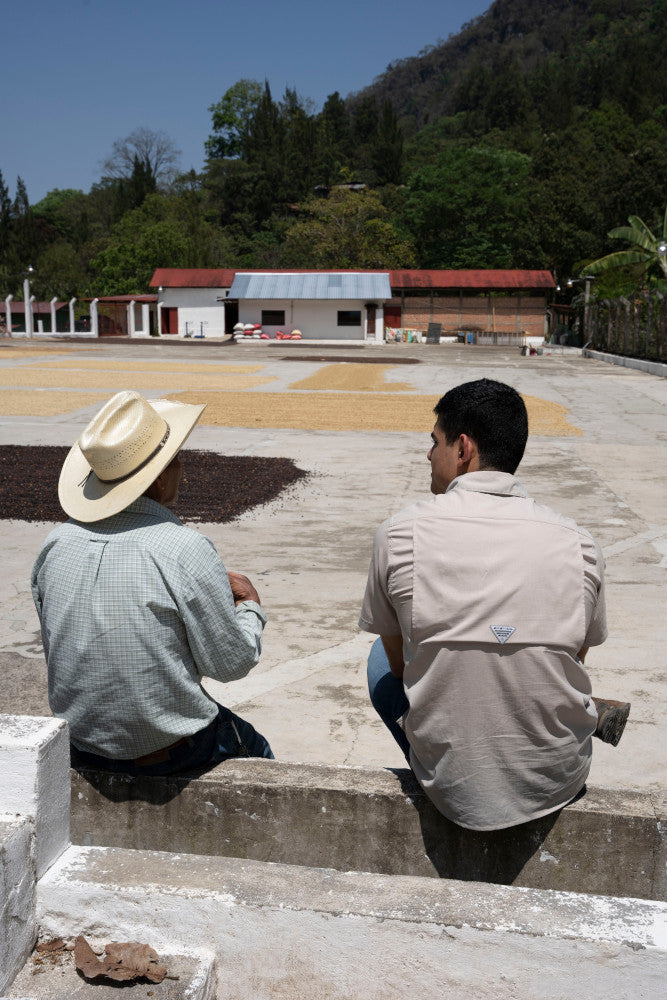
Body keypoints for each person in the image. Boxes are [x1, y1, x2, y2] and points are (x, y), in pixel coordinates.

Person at [360, 378, 629, 832]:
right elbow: (578, 652)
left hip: (449, 788)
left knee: (377, 665)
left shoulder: (400, 533)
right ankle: (587, 713)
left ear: (462, 448)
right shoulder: (578, 543)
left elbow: (401, 668)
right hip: (557, 780)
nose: (429, 455)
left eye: (435, 442)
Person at [31, 389, 273, 775]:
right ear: (160, 480)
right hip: (164, 749)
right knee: (258, 752)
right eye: (177, 461)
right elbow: (231, 663)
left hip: (83, 739)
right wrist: (250, 607)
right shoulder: (183, 548)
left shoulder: (56, 542)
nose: (182, 468)